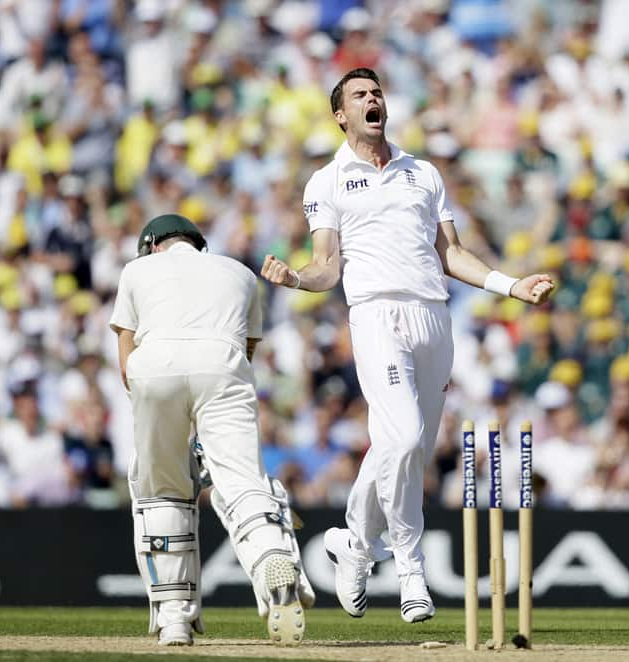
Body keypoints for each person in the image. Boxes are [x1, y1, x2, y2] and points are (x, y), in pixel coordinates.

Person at [260, 68, 554, 623]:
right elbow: (327, 266)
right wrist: (296, 279)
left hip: (432, 316)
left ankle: (353, 540)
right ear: (340, 115)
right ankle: (410, 569)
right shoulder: (326, 180)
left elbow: (453, 254)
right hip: (374, 314)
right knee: (405, 434)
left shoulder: (423, 172)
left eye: (377, 92)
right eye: (359, 96)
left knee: (406, 446)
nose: (373, 99)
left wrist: (510, 285)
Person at [110, 214, 314, 646]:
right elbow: (246, 351)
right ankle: (272, 558)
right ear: (199, 245)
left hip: (154, 369)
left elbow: (126, 360)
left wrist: (167, 423)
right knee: (243, 483)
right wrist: (208, 421)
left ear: (152, 245)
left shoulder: (136, 269)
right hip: (223, 366)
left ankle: (174, 620)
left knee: (161, 489)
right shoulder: (239, 272)